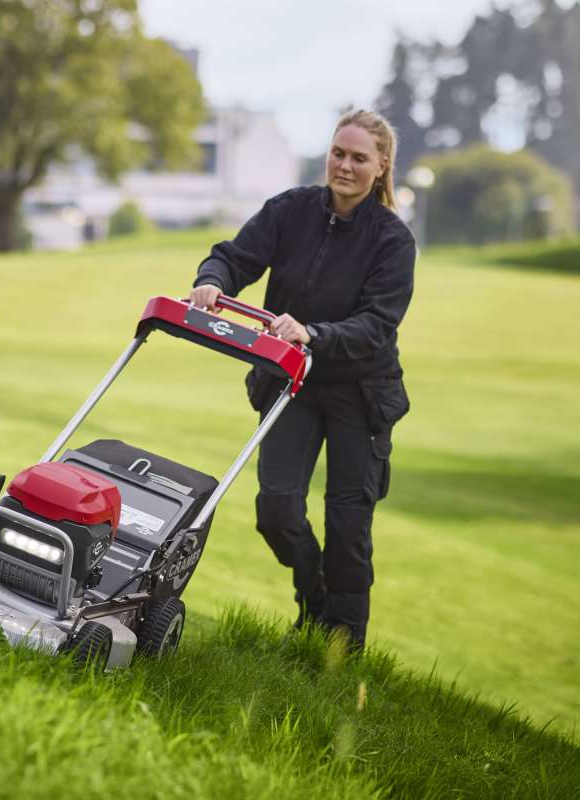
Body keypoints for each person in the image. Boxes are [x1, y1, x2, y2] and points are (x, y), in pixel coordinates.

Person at [189, 109, 415, 652]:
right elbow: (233, 257)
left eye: (359, 158)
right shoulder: (290, 211)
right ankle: (313, 597)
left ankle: (343, 647)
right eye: (339, 153)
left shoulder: (392, 241)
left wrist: (313, 332)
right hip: (291, 385)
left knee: (347, 526)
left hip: (359, 393)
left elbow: (376, 325)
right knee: (278, 509)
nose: (345, 165)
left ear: (381, 166)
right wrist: (211, 282)